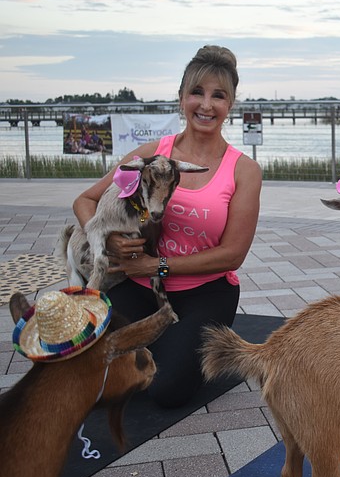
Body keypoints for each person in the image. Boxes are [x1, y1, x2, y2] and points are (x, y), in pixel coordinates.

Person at [72, 45, 262, 408]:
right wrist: (107, 239)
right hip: (138, 285)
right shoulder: (150, 155)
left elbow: (233, 254)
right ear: (181, 99)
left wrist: (155, 265)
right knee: (85, 363)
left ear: (230, 104)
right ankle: (165, 343)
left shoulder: (244, 171)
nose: (206, 105)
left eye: (218, 96)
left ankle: (178, 346)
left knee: (166, 389)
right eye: (197, 93)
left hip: (205, 294)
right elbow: (85, 200)